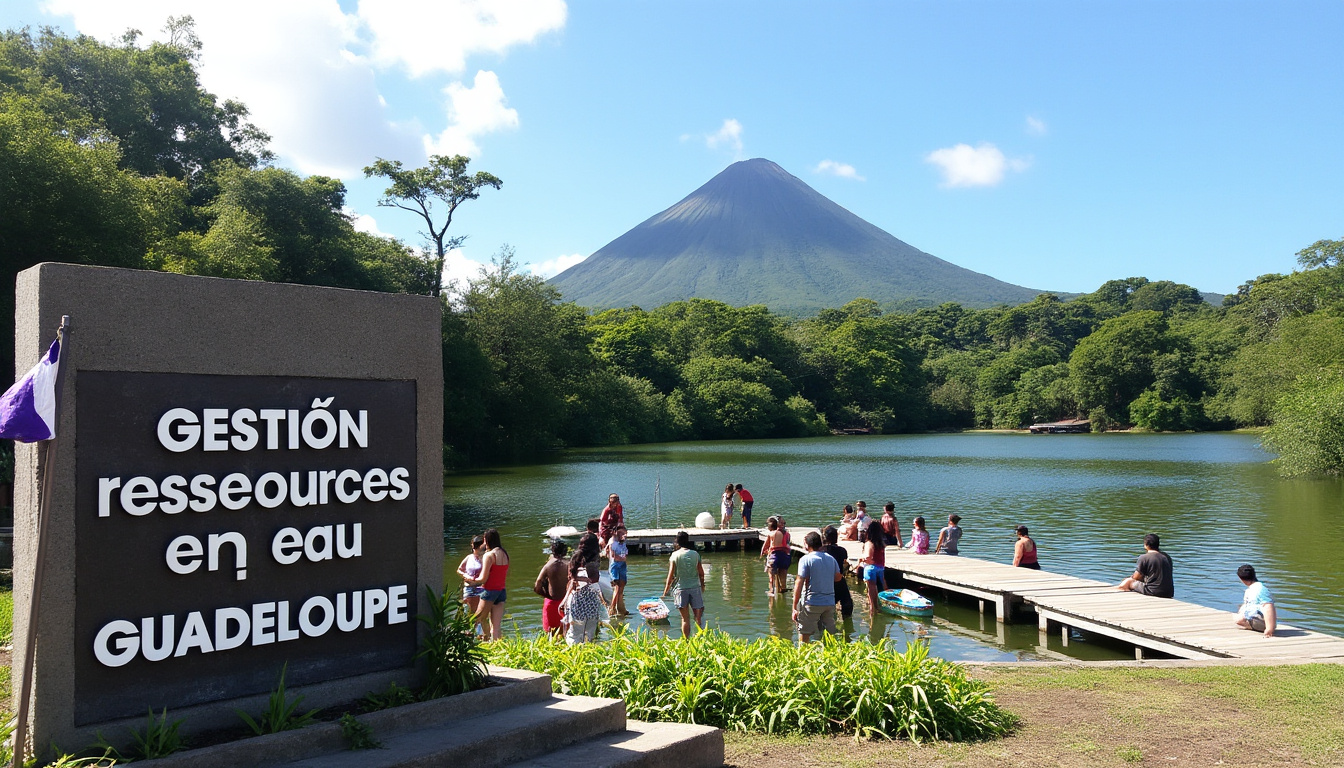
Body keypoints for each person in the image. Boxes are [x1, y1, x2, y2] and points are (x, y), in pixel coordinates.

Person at [792, 531, 843, 644]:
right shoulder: (831, 558)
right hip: (829, 602)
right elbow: (837, 578)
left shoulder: (806, 559)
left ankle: (803, 653)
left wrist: (794, 606)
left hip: (811, 602)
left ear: (807, 545)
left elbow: (799, 582)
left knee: (804, 634)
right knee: (830, 635)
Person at [563, 533, 606, 644]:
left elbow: (570, 578)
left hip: (576, 598)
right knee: (589, 632)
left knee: (575, 632)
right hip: (591, 598)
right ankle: (588, 650)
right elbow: (594, 579)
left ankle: (572, 651)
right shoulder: (594, 560)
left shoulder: (575, 558)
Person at [662, 531, 706, 637]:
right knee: (698, 617)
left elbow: (670, 576)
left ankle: (686, 642)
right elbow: (701, 573)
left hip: (680, 589)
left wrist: (665, 591)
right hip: (695, 588)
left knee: (685, 619)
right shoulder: (695, 554)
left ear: (677, 542)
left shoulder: (675, 555)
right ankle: (700, 639)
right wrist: (702, 585)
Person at [471, 528, 510, 641]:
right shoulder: (504, 554)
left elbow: (483, 578)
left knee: (477, 619)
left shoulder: (489, 556)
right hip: (501, 591)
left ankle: (476, 641)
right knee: (496, 626)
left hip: (489, 591)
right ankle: (497, 646)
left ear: (487, 540)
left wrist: (471, 579)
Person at [1116, 533, 1175, 598]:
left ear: (1146, 545)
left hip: (1153, 591)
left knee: (1128, 582)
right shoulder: (1167, 556)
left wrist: (1129, 578)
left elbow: (1137, 577)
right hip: (1169, 592)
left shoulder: (1144, 557)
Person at [533, 540, 570, 636]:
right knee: (566, 633)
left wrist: (545, 595)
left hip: (551, 602)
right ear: (565, 552)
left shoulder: (548, 565)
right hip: (566, 603)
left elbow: (537, 585)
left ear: (553, 551)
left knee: (551, 635)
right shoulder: (569, 565)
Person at [456, 535, 487, 636]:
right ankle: (469, 634)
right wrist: (465, 575)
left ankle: (481, 635)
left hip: (480, 588)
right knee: (469, 613)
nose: (475, 549)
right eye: (474, 546)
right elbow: (459, 570)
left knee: (480, 614)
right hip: (469, 588)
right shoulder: (469, 557)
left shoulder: (485, 558)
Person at [1234, 564, 1276, 638]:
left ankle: (1256, 626)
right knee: (1241, 609)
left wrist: (1270, 628)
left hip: (1262, 621)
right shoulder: (1254, 588)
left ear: (1241, 579)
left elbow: (1268, 606)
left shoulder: (1261, 590)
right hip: (1257, 617)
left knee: (1238, 619)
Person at [822, 524, 854, 618]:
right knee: (847, 602)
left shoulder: (822, 551)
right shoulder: (842, 550)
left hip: (825, 580)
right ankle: (846, 617)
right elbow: (844, 563)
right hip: (839, 579)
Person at [858, 520, 886, 614]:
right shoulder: (881, 544)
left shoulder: (869, 543)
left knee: (871, 590)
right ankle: (879, 607)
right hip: (880, 568)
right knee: (880, 588)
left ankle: (872, 610)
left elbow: (868, 557)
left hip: (870, 568)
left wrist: (861, 559)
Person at [762, 517, 791, 596]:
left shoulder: (772, 533)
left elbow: (766, 545)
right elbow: (787, 545)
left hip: (774, 556)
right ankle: (783, 589)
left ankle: (771, 591)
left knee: (771, 578)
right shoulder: (787, 534)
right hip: (785, 556)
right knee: (783, 578)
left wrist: (763, 553)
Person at [605, 525, 630, 615]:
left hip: (622, 565)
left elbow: (625, 553)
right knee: (617, 586)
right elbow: (613, 556)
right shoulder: (613, 542)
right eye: (621, 533)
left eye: (625, 533)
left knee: (622, 586)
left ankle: (620, 608)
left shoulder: (622, 542)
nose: (624, 535)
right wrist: (622, 558)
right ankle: (612, 609)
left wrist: (623, 558)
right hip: (615, 566)